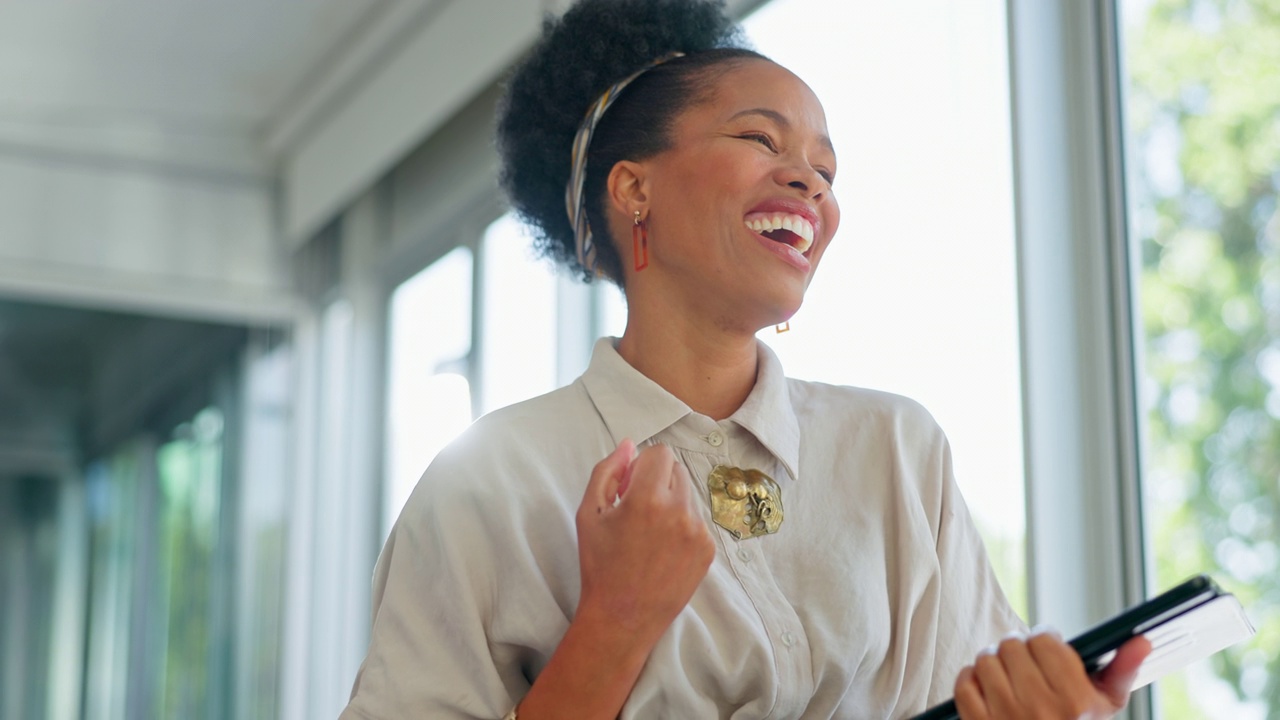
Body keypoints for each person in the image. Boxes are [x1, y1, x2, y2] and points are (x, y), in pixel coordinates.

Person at [340, 0, 1151, 718]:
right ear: (632, 190)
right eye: (761, 139)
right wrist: (613, 625)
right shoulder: (491, 483)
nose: (809, 182)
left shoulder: (898, 452)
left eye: (826, 171)